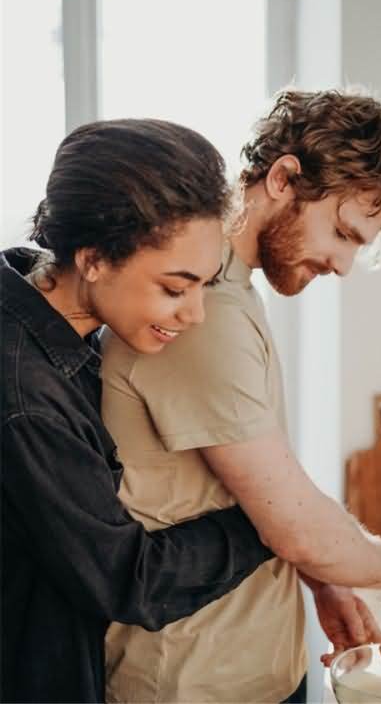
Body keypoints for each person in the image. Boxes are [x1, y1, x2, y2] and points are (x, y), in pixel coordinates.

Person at [102, 91, 381, 704]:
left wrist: (327, 580)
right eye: (344, 233)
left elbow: (256, 485)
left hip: (245, 668)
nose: (345, 266)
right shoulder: (203, 307)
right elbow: (292, 527)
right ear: (285, 177)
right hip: (195, 684)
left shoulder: (232, 292)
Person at [0, 119, 276, 704]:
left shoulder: (28, 282)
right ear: (94, 259)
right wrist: (270, 517)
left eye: (203, 286)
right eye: (175, 289)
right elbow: (127, 578)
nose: (196, 314)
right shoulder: (27, 396)